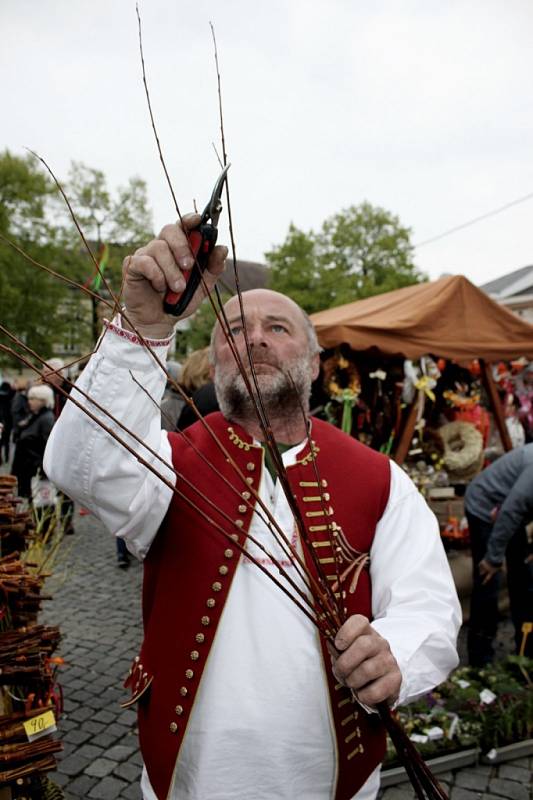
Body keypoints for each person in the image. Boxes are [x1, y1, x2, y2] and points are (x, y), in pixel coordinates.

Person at [45, 214, 461, 800]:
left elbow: (430, 607)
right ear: (215, 363)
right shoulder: (169, 461)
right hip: (193, 779)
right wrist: (141, 325)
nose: (256, 337)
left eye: (277, 327)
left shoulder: (379, 478)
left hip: (332, 779)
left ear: (315, 363)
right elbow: (78, 465)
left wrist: (395, 654)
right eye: (235, 328)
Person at [464, 443, 533, 665]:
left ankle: (526, 651)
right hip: (484, 506)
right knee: (488, 580)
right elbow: (512, 509)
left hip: (510, 512)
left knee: (523, 578)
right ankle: (480, 660)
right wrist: (493, 558)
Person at [12, 384, 55, 499]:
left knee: (40, 505)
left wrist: (41, 469)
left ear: (42, 401)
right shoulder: (35, 415)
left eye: (32, 399)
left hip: (35, 472)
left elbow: (47, 447)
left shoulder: (46, 418)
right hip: (28, 470)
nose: (29, 402)